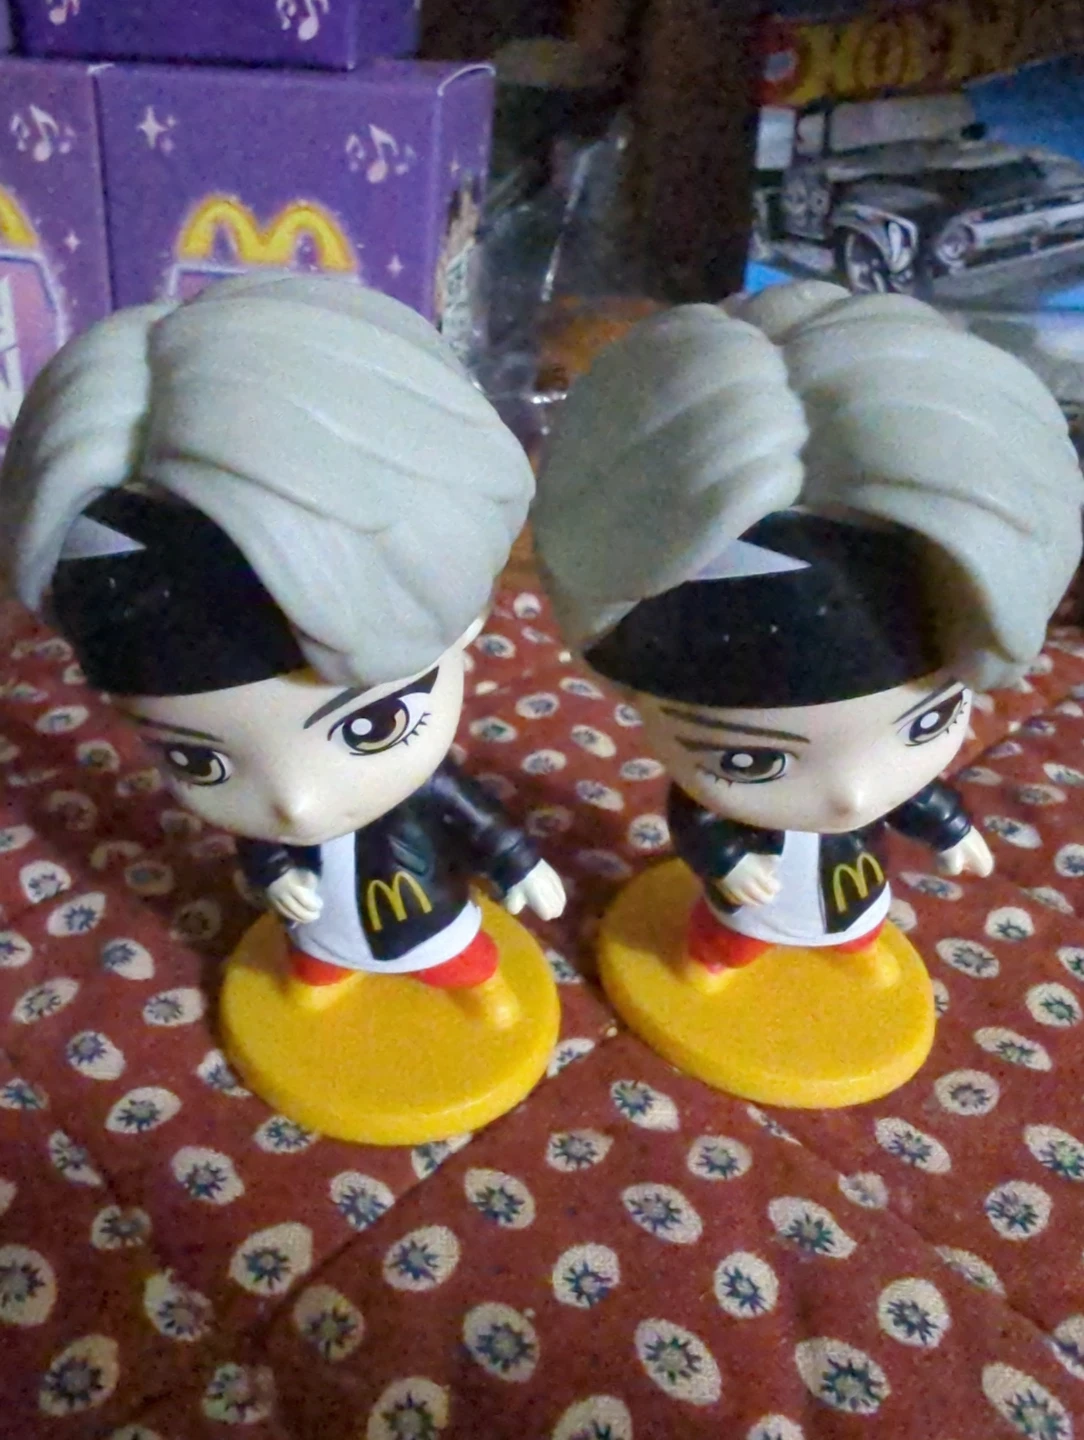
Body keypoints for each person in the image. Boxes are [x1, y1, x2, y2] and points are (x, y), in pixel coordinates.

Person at [0, 272, 565, 1023]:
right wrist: (274, 875)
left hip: (421, 907)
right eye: (195, 759)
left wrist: (517, 862)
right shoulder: (273, 813)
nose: (296, 801)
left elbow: (477, 817)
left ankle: (479, 995)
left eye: (373, 725)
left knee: (460, 962)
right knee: (314, 970)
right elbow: (264, 846)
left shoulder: (424, 785)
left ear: (467, 621)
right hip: (318, 920)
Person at [535, 280, 1083, 990]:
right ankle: (709, 960)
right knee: (732, 937)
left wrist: (952, 830)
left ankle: (852, 948)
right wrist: (730, 860)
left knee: (856, 931)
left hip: (850, 882)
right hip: (756, 895)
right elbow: (698, 821)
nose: (851, 795)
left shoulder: (878, 786)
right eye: (749, 760)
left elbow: (921, 801)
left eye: (927, 723)